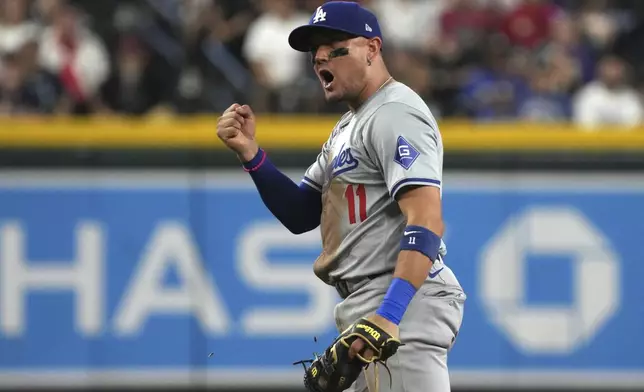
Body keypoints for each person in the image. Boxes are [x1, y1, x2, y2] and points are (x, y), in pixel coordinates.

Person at [216, 2, 466, 391]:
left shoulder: (396, 112)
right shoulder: (349, 126)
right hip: (371, 308)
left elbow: (426, 219)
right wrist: (251, 154)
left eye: (336, 48)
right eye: (316, 52)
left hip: (400, 302)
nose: (320, 58)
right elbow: (300, 212)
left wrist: (389, 315)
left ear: (372, 49)